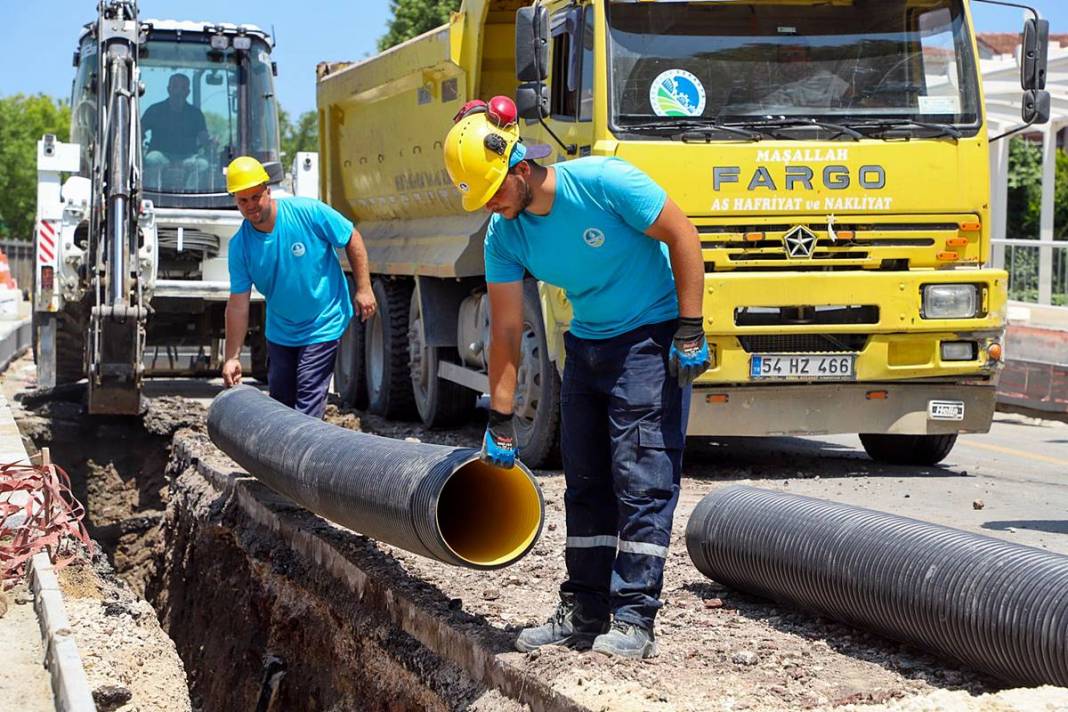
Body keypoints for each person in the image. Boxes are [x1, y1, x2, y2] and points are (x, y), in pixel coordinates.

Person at [442, 99, 711, 659]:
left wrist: (689, 329)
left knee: (641, 477)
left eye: (493, 190)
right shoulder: (504, 236)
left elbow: (683, 236)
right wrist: (501, 417)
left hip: (648, 337)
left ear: (519, 166)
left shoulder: (603, 182)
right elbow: (507, 332)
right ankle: (585, 608)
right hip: (586, 344)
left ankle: (635, 615)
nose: (490, 204)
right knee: (585, 481)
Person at [221, 156, 377, 418]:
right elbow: (238, 304)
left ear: (268, 191)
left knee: (307, 399)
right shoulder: (241, 245)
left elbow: (351, 236)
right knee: (281, 404)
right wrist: (232, 356)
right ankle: (280, 457)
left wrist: (364, 288)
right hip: (281, 330)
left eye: (255, 197)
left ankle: (305, 458)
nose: (251, 206)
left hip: (322, 320)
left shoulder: (307, 213)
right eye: (242, 200)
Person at [141, 73, 211, 187]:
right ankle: (154, 193)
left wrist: (210, 143)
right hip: (161, 157)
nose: (178, 91)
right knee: (152, 159)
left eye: (183, 88)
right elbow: (138, 131)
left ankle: (190, 197)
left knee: (202, 164)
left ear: (188, 92)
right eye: (175, 87)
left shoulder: (195, 114)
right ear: (168, 89)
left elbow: (204, 138)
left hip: (188, 157)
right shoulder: (155, 110)